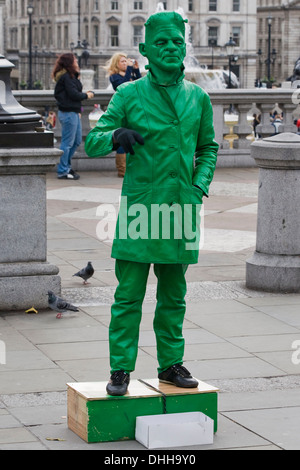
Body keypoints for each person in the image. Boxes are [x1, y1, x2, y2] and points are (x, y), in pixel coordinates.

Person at [85, 11, 219, 396]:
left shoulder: (198, 97)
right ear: (144, 50)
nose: (171, 48)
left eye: (177, 41)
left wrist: (199, 186)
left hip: (180, 208)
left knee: (174, 296)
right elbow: (93, 141)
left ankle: (171, 365)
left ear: (185, 46)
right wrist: (116, 135)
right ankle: (120, 369)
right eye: (162, 42)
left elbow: (209, 147)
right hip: (142, 210)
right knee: (128, 296)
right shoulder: (129, 94)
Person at [52, 53, 94, 180]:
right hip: (68, 113)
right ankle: (63, 170)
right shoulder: (66, 78)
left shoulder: (70, 77)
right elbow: (73, 94)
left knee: (76, 142)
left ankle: (66, 166)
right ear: (70, 63)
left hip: (73, 112)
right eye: (74, 60)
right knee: (67, 142)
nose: (77, 61)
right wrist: (87, 96)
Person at [104, 53, 142, 177]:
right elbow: (123, 87)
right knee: (123, 138)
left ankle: (133, 166)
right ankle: (122, 170)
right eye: (122, 62)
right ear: (116, 64)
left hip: (133, 110)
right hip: (122, 111)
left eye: (126, 61)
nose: (125, 63)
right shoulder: (114, 77)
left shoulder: (129, 74)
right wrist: (130, 70)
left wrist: (136, 70)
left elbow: (140, 85)